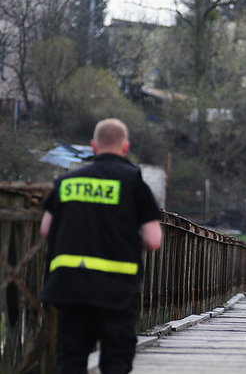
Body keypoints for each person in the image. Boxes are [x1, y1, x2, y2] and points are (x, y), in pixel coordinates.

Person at [39, 118, 162, 374]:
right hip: (116, 288)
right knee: (115, 359)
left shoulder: (67, 181)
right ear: (125, 147)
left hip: (68, 284)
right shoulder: (133, 183)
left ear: (93, 146)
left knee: (71, 357)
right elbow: (153, 240)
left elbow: (45, 229)